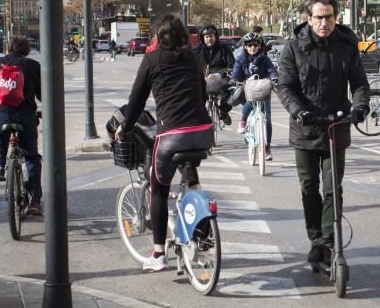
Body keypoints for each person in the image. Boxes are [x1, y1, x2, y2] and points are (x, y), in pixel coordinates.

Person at [276, 0, 370, 265]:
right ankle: (315, 239)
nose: (324, 22)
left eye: (329, 17)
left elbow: (360, 84)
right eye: (319, 17)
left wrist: (360, 107)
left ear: (335, 17)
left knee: (332, 188)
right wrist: (297, 111)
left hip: (336, 124)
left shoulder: (346, 44)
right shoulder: (294, 47)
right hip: (305, 127)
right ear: (309, 18)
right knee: (309, 188)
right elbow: (285, 87)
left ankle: (329, 244)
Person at [115, 14, 214, 272]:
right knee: (190, 177)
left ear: (158, 37)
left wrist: (124, 127)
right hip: (203, 131)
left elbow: (136, 101)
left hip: (172, 134)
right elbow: (202, 94)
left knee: (157, 187)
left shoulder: (152, 59)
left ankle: (159, 253)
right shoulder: (193, 57)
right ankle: (203, 232)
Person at [0, 36, 44, 215]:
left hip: (0, 115)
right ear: (27, 50)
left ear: (8, 48)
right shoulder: (32, 65)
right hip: (25, 117)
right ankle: (35, 201)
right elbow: (42, 94)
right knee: (31, 157)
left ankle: (0, 167)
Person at [231, 32, 279, 160]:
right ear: (245, 47)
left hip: (263, 88)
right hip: (248, 88)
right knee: (250, 101)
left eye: (255, 45)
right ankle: (243, 121)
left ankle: (267, 147)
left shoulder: (264, 59)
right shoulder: (241, 59)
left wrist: (274, 78)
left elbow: (271, 70)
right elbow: (236, 73)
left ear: (259, 46)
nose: (253, 47)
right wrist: (235, 80)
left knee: (267, 118)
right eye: (250, 45)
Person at [198, 24, 235, 124]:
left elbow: (232, 64)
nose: (209, 39)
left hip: (221, 76)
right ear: (203, 38)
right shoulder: (197, 50)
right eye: (206, 37)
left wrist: (227, 71)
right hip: (203, 77)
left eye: (211, 36)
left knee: (230, 87)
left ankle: (223, 111)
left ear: (215, 36)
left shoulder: (224, 49)